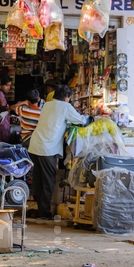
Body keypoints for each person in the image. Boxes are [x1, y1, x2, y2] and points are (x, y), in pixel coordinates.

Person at [29, 85, 91, 220]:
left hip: (35, 146)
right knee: (49, 180)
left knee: (39, 179)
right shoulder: (65, 106)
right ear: (66, 97)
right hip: (47, 149)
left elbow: (58, 121)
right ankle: (44, 213)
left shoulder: (47, 105)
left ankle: (40, 209)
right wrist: (90, 119)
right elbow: (81, 120)